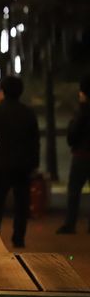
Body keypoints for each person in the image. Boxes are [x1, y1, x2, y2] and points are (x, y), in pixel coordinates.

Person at [0, 76, 40, 248]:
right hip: (23, 164)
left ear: (3, 91)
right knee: (21, 203)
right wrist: (34, 163)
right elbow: (35, 140)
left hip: (1, 163)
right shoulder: (28, 113)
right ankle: (18, 237)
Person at [56, 75, 90, 234]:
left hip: (82, 155)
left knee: (74, 190)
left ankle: (70, 224)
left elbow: (74, 133)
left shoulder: (83, 111)